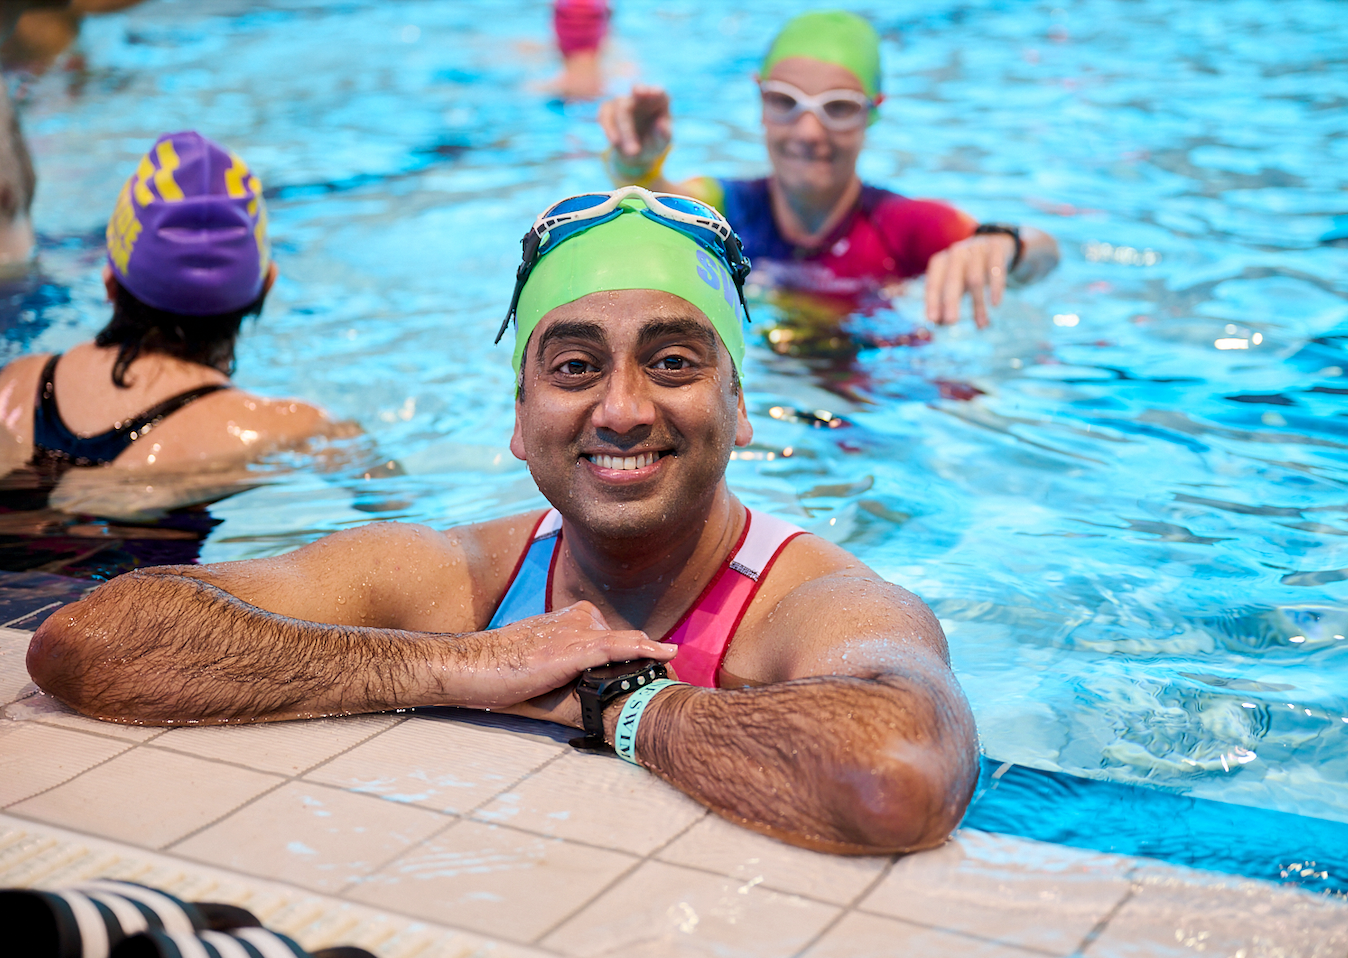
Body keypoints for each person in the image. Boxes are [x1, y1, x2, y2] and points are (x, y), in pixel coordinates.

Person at [27, 187, 979, 855]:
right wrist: (456, 666)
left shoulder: (815, 603)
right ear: (520, 420)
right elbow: (88, 640)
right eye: (573, 367)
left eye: (676, 363)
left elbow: (889, 777)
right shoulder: (454, 580)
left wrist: (623, 703)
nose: (621, 409)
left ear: (740, 407)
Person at [598, 9, 1059, 328]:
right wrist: (636, 159)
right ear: (760, 100)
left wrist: (1003, 244)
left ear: (872, 113)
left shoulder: (902, 226)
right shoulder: (731, 208)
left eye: (837, 108)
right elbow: (655, 202)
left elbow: (1044, 254)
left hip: (876, 393)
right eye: (785, 102)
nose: (808, 132)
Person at [0, 130, 351, 481]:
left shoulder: (18, 385)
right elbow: (394, 512)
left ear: (110, 284)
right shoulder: (291, 430)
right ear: (267, 284)